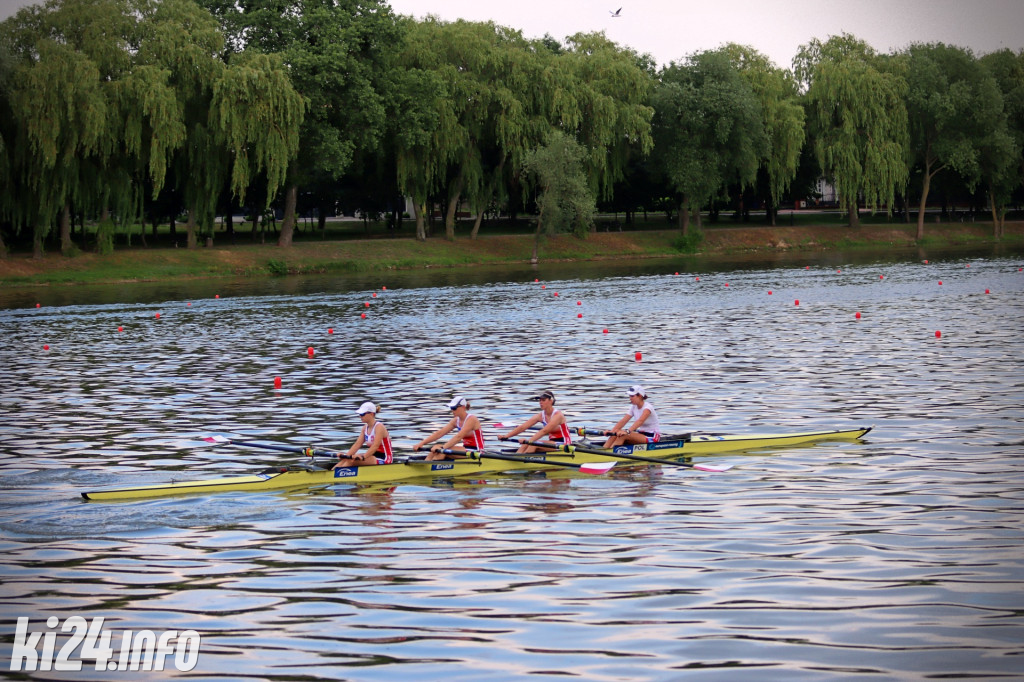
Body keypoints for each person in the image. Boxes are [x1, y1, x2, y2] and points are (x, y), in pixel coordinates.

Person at [412, 396, 486, 460]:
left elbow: (458, 437)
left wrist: (443, 448)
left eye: (454, 408)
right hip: (465, 449)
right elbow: (440, 433)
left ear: (463, 407)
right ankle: (426, 464)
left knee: (439, 450)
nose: (452, 410)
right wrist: (421, 443)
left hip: (476, 451)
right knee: (436, 449)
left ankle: (431, 469)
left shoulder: (472, 419)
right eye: (451, 408)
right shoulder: (456, 420)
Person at [500, 390, 572, 453]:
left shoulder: (558, 415)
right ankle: (515, 459)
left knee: (533, 444)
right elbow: (522, 427)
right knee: (527, 444)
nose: (540, 402)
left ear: (551, 401)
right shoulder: (540, 416)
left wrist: (529, 441)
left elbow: (544, 431)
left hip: (564, 444)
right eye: (540, 400)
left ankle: (523, 462)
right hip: (552, 442)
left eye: (543, 400)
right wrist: (505, 436)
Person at [334, 401, 393, 468]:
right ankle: (331, 474)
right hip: (372, 456)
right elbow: (357, 444)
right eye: (360, 414)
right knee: (347, 459)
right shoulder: (365, 428)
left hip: (385, 458)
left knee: (351, 460)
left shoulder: (379, 427)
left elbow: (375, 446)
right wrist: (346, 456)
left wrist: (363, 457)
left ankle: (335, 476)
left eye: (362, 414)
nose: (360, 416)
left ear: (371, 414)